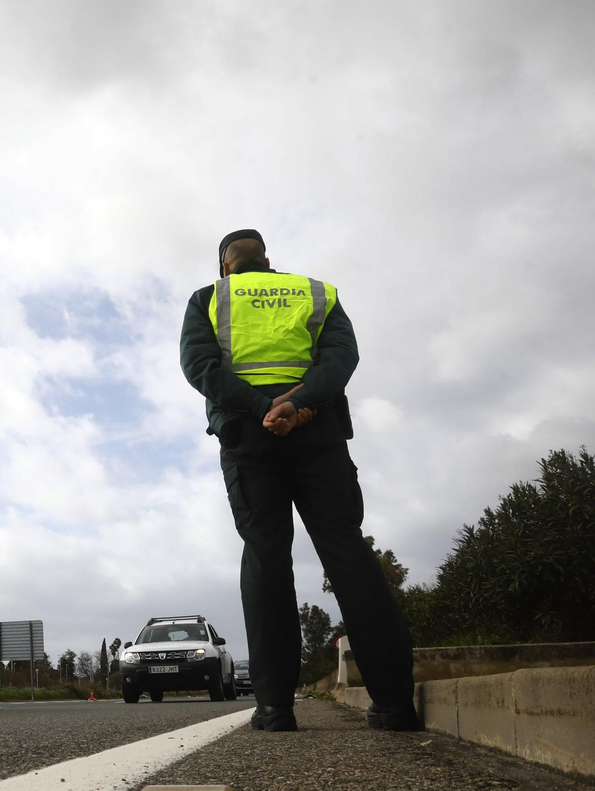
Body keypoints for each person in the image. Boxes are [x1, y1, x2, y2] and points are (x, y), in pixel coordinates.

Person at [179, 229, 418, 732]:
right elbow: (340, 360)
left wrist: (264, 408)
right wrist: (299, 403)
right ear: (268, 261)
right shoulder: (316, 292)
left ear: (225, 267)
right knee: (347, 552)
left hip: (249, 438)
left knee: (266, 555)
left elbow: (199, 367)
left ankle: (274, 707)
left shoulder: (210, 299)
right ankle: (395, 704)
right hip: (318, 433)